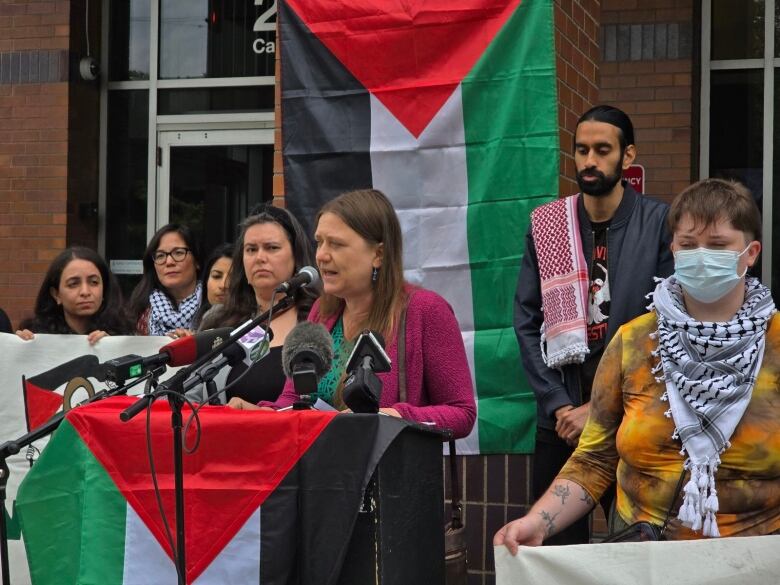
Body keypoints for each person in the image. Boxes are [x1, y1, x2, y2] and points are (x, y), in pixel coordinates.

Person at [496, 178, 779, 552]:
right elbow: (595, 459)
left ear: (751, 252)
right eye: (689, 245)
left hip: (754, 561)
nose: (701, 255)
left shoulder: (774, 344)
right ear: (673, 249)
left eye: (718, 245)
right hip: (643, 556)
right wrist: (538, 522)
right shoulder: (633, 342)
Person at [514, 105, 674, 544]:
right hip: (559, 420)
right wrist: (560, 404)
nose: (589, 161)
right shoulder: (548, 225)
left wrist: (600, 408)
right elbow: (527, 321)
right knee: (554, 550)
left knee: (638, 544)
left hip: (629, 419)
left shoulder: (659, 223)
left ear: (627, 157)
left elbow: (665, 326)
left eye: (602, 150)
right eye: (581, 150)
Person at [229, 189, 476, 440]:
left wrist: (393, 416)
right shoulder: (321, 314)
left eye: (336, 244)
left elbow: (462, 414)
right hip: (323, 475)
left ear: (378, 254)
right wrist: (258, 413)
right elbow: (292, 401)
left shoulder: (426, 311)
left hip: (386, 474)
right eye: (319, 242)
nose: (321, 256)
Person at [200, 206, 319, 403]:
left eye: (272, 248)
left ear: (295, 256)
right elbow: (193, 394)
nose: (260, 258)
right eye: (251, 250)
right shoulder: (218, 319)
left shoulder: (321, 318)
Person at [15, 247, 133, 343]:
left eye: (94, 282)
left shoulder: (124, 336)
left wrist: (112, 348)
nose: (85, 292)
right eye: (73, 284)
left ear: (104, 289)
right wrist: (20, 347)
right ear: (56, 294)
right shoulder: (38, 335)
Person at [128, 224, 203, 337]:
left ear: (197, 261)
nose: (169, 262)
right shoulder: (136, 312)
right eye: (160, 255)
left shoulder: (214, 307)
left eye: (178, 253)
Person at [193, 243, 234, 329]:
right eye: (216, 276)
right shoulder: (201, 318)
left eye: (233, 278)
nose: (223, 285)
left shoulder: (253, 326)